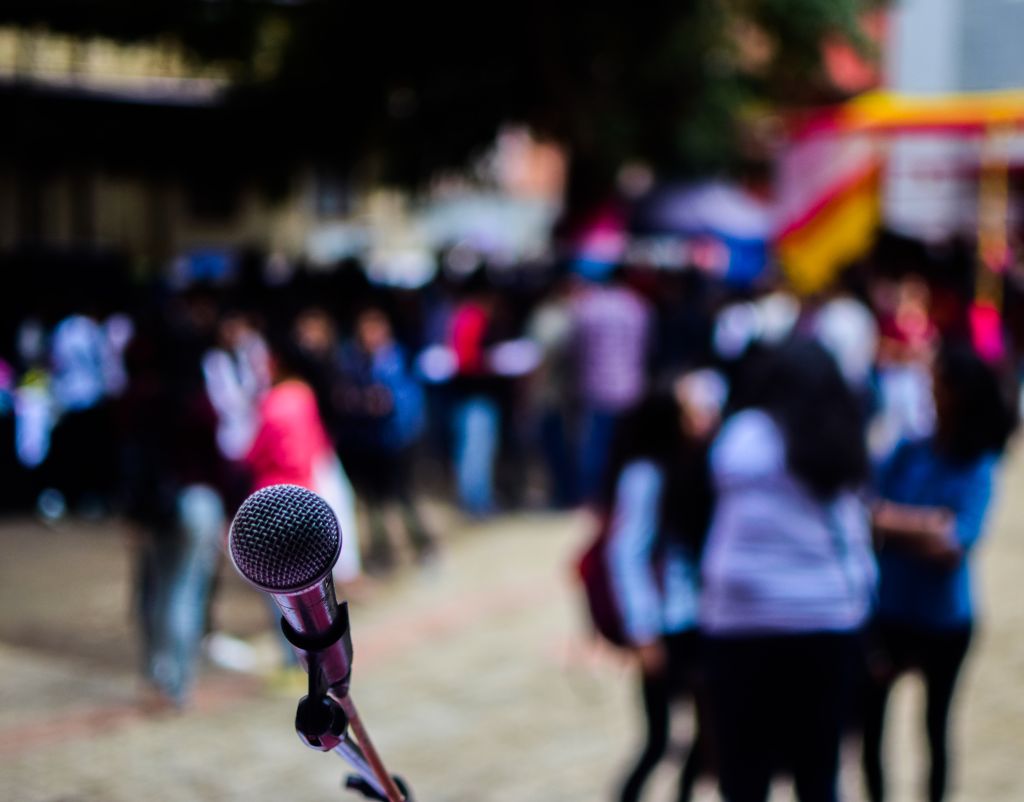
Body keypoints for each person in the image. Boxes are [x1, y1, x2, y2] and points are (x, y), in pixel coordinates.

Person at [700, 338, 877, 802]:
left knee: (743, 773)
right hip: (828, 618)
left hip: (740, 623)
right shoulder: (842, 437)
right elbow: (855, 535)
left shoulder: (743, 435)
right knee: (818, 772)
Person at [862, 341, 1016, 802]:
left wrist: (892, 521)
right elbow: (867, 514)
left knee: (934, 731)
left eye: (937, 382)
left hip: (943, 621)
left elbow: (953, 543)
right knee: (871, 732)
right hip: (891, 612)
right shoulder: (910, 450)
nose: (929, 390)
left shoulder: (977, 462)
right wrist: (925, 523)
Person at [604, 381, 719, 802]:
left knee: (708, 734)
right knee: (659, 740)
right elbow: (626, 555)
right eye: (691, 411)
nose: (701, 417)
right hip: (666, 624)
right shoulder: (646, 475)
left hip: (698, 620)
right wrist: (644, 630)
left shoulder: (695, 465)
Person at [337, 307, 435, 573]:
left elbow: (411, 399)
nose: (371, 336)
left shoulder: (399, 357)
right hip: (368, 443)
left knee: (404, 497)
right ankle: (382, 555)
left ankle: (424, 546)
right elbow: (345, 397)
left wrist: (389, 404)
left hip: (398, 441)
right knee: (373, 501)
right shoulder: (353, 362)